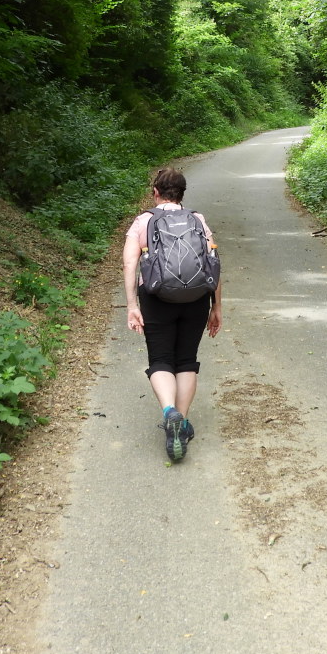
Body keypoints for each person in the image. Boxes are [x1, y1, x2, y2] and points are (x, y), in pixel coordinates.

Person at [123, 167, 222, 462]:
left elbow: (130, 264)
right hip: (196, 297)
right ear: (182, 193)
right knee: (186, 360)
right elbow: (213, 263)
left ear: (155, 192)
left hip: (156, 298)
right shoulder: (197, 219)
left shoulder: (144, 221)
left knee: (161, 359)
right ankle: (182, 421)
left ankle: (170, 413)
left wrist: (131, 305)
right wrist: (217, 306)